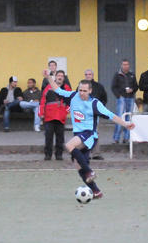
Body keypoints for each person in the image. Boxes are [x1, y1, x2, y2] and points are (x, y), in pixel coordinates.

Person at [42, 69, 134, 200]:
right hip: (78, 135)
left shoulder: (95, 103)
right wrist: (48, 77)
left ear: (90, 91)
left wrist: (125, 124)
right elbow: (57, 89)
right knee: (78, 165)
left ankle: (90, 171)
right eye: (80, 90)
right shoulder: (73, 96)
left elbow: (111, 115)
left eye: (84, 91)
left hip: (89, 135)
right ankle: (96, 191)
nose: (82, 93)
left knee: (69, 145)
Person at [40, 70, 71, 160]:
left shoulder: (67, 88)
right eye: (58, 75)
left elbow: (70, 101)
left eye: (62, 76)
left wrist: (66, 111)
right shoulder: (48, 87)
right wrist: (41, 113)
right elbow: (42, 101)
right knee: (48, 137)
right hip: (49, 116)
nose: (60, 77)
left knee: (60, 137)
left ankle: (59, 155)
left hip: (61, 117)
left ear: (64, 78)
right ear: (55, 77)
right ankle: (48, 155)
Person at [82, 69, 108, 160]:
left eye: (89, 74)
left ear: (92, 75)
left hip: (94, 114)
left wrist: (99, 108)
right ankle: (86, 153)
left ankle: (96, 153)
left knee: (95, 133)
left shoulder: (99, 86)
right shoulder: (81, 86)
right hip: (84, 114)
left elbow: (104, 98)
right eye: (86, 74)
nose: (88, 76)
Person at [111, 59, 137, 143]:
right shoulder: (117, 75)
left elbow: (136, 86)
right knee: (119, 118)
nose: (125, 66)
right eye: (124, 64)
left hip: (130, 98)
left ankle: (126, 138)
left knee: (129, 118)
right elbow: (113, 87)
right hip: (121, 98)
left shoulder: (132, 75)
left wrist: (132, 90)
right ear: (121, 65)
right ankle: (116, 138)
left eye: (127, 64)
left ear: (129, 65)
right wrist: (119, 96)